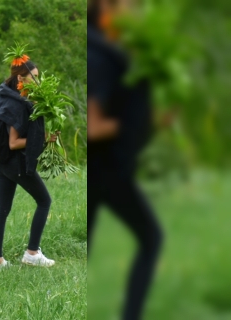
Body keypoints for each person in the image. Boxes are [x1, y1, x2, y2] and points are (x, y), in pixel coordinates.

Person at [87, 0, 163, 319]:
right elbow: (93, 127)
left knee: (149, 238)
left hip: (110, 172)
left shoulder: (110, 51)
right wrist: (141, 122)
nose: (139, 13)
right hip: (105, 173)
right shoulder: (100, 57)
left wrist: (152, 120)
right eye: (135, 6)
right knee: (150, 237)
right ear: (108, 7)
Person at [0, 60, 59, 271]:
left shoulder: (10, 97)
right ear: (21, 78)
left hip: (3, 163)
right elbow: (14, 142)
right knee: (44, 200)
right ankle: (32, 253)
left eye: (38, 76)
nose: (38, 81)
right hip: (14, 162)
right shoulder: (15, 104)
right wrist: (43, 138)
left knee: (2, 210)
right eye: (34, 77)